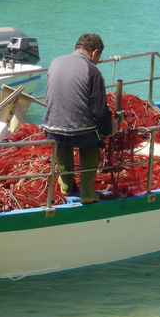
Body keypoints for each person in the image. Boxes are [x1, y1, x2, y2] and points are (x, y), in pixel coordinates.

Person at [43, 33, 117, 203]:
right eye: (99, 57)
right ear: (95, 52)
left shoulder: (55, 62)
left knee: (63, 142)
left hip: (52, 129)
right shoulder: (92, 70)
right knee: (94, 140)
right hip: (81, 133)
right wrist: (109, 129)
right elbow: (99, 111)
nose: (98, 61)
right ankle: (87, 193)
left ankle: (67, 186)